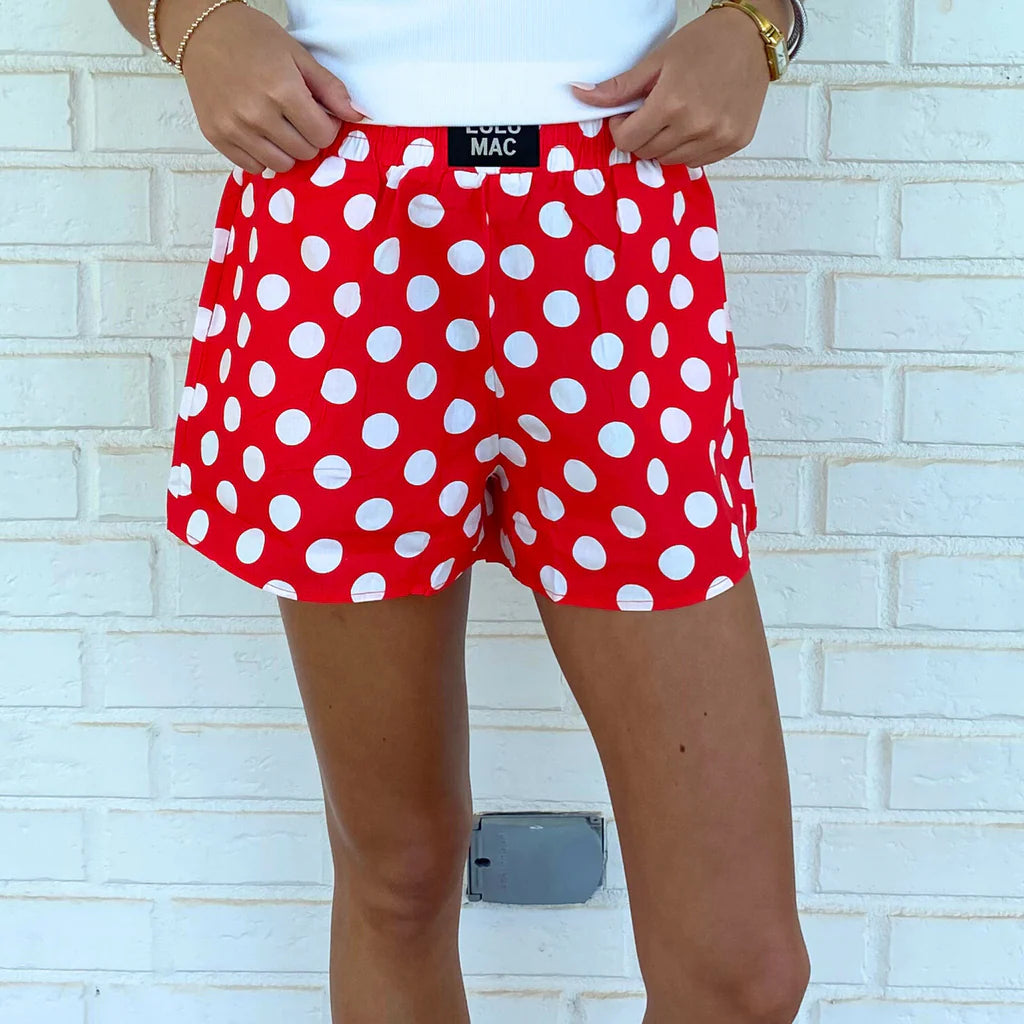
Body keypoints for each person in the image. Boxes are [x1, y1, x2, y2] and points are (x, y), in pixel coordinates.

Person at [108, 0, 811, 1020]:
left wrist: (756, 21)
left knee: (743, 971)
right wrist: (193, 22)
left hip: (614, 218)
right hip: (339, 217)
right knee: (399, 876)